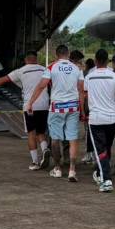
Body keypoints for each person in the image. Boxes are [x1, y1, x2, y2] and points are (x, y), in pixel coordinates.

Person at [0, 51, 51, 170]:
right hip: (44, 105)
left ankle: (35, 162)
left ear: (26, 60)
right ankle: (45, 149)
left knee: (31, 133)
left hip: (30, 106)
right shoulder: (45, 70)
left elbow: (2, 80)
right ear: (36, 59)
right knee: (41, 132)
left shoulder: (21, 71)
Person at [27, 44, 84, 182]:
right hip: (73, 107)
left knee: (55, 138)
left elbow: (42, 85)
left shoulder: (52, 67)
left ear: (57, 54)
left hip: (57, 106)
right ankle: (72, 170)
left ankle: (57, 168)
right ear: (68, 54)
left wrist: (31, 102)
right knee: (72, 139)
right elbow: (81, 90)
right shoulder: (77, 68)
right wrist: (82, 109)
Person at [84, 49, 115, 193]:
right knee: (106, 148)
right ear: (108, 61)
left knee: (100, 150)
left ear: (95, 61)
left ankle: (106, 180)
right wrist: (114, 105)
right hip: (112, 118)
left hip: (96, 119)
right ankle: (101, 173)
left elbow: (86, 96)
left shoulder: (89, 77)